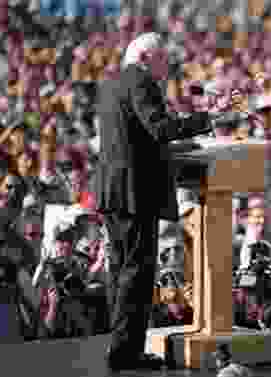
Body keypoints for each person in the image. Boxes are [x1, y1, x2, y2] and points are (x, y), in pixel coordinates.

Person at [95, 32, 243, 371]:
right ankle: (125, 352)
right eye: (164, 58)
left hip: (114, 190)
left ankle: (119, 347)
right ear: (146, 58)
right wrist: (209, 118)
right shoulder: (141, 81)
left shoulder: (112, 82)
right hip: (134, 193)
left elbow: (135, 138)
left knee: (120, 270)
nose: (168, 64)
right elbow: (159, 129)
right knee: (137, 272)